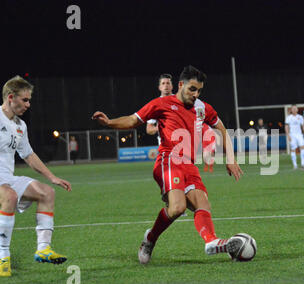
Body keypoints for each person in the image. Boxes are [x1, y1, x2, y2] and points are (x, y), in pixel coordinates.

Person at [92, 65, 244, 263]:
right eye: (192, 89)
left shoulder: (203, 108)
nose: (195, 94)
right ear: (181, 85)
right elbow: (132, 120)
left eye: (199, 90)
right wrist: (109, 123)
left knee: (202, 203)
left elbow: (222, 130)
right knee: (178, 207)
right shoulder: (161, 104)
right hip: (168, 160)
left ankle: (211, 242)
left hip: (189, 164)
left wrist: (230, 159)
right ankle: (150, 239)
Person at [0, 76, 72, 277]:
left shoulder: (20, 126)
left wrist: (52, 177)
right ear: (11, 97)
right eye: (25, 100)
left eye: (29, 100)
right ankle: (3, 256)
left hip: (6, 178)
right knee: (10, 196)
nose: (28, 105)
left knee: (46, 193)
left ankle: (43, 249)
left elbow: (29, 155)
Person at [146, 74, 174, 145]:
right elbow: (149, 129)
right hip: (165, 145)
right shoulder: (155, 105)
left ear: (172, 86)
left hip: (182, 142)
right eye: (163, 83)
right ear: (159, 87)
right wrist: (158, 128)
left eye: (168, 83)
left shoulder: (180, 102)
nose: (166, 86)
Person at [285, 105, 304, 169]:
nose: (294, 109)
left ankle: (303, 164)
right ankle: (295, 165)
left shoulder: (300, 117)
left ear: (297, 109)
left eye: (295, 108)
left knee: (302, 147)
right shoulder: (289, 117)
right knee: (293, 149)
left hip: (299, 135)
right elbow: (286, 127)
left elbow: (303, 126)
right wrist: (288, 135)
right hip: (292, 135)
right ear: (291, 110)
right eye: (293, 108)